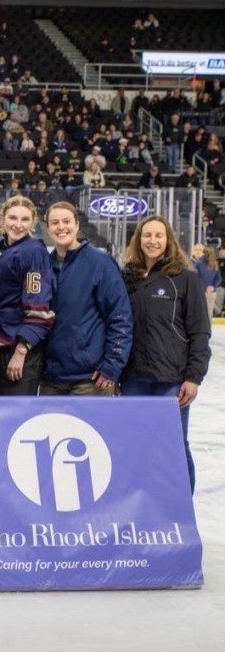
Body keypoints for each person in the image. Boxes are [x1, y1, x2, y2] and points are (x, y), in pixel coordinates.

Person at [120, 216, 211, 492]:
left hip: (170, 379)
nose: (153, 241)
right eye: (147, 235)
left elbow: (200, 332)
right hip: (133, 377)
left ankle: (181, 509)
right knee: (135, 443)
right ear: (138, 240)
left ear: (168, 240)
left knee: (173, 443)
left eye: (159, 235)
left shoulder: (185, 279)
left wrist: (193, 377)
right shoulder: (127, 277)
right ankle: (141, 507)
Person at [41, 202, 132, 395]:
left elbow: (120, 317)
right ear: (48, 228)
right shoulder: (43, 265)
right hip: (51, 379)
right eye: (55, 222)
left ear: (77, 225)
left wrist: (112, 366)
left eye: (66, 221)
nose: (61, 227)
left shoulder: (100, 263)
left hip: (90, 381)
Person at [0, 196, 55, 395]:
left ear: (33, 222)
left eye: (25, 220)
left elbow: (39, 307)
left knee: (15, 417)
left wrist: (22, 350)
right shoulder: (0, 247)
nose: (18, 225)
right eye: (13, 218)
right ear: (3, 219)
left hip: (18, 348)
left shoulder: (33, 252)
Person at [191, 243, 221, 322]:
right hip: (209, 292)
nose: (197, 252)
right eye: (196, 249)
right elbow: (218, 278)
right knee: (208, 313)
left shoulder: (199, 263)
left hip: (199, 292)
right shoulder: (214, 264)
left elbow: (193, 276)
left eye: (199, 250)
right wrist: (213, 287)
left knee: (199, 313)